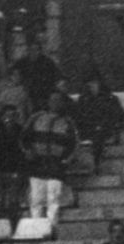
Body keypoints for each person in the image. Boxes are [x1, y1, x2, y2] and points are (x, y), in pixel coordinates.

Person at [23, 92, 77, 224]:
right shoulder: (36, 118)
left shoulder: (68, 122)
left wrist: (66, 160)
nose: (55, 103)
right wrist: (28, 152)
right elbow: (24, 138)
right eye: (53, 100)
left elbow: (74, 144)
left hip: (56, 167)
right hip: (37, 165)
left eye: (58, 100)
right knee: (36, 200)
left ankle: (52, 228)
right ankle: (36, 228)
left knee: (53, 200)